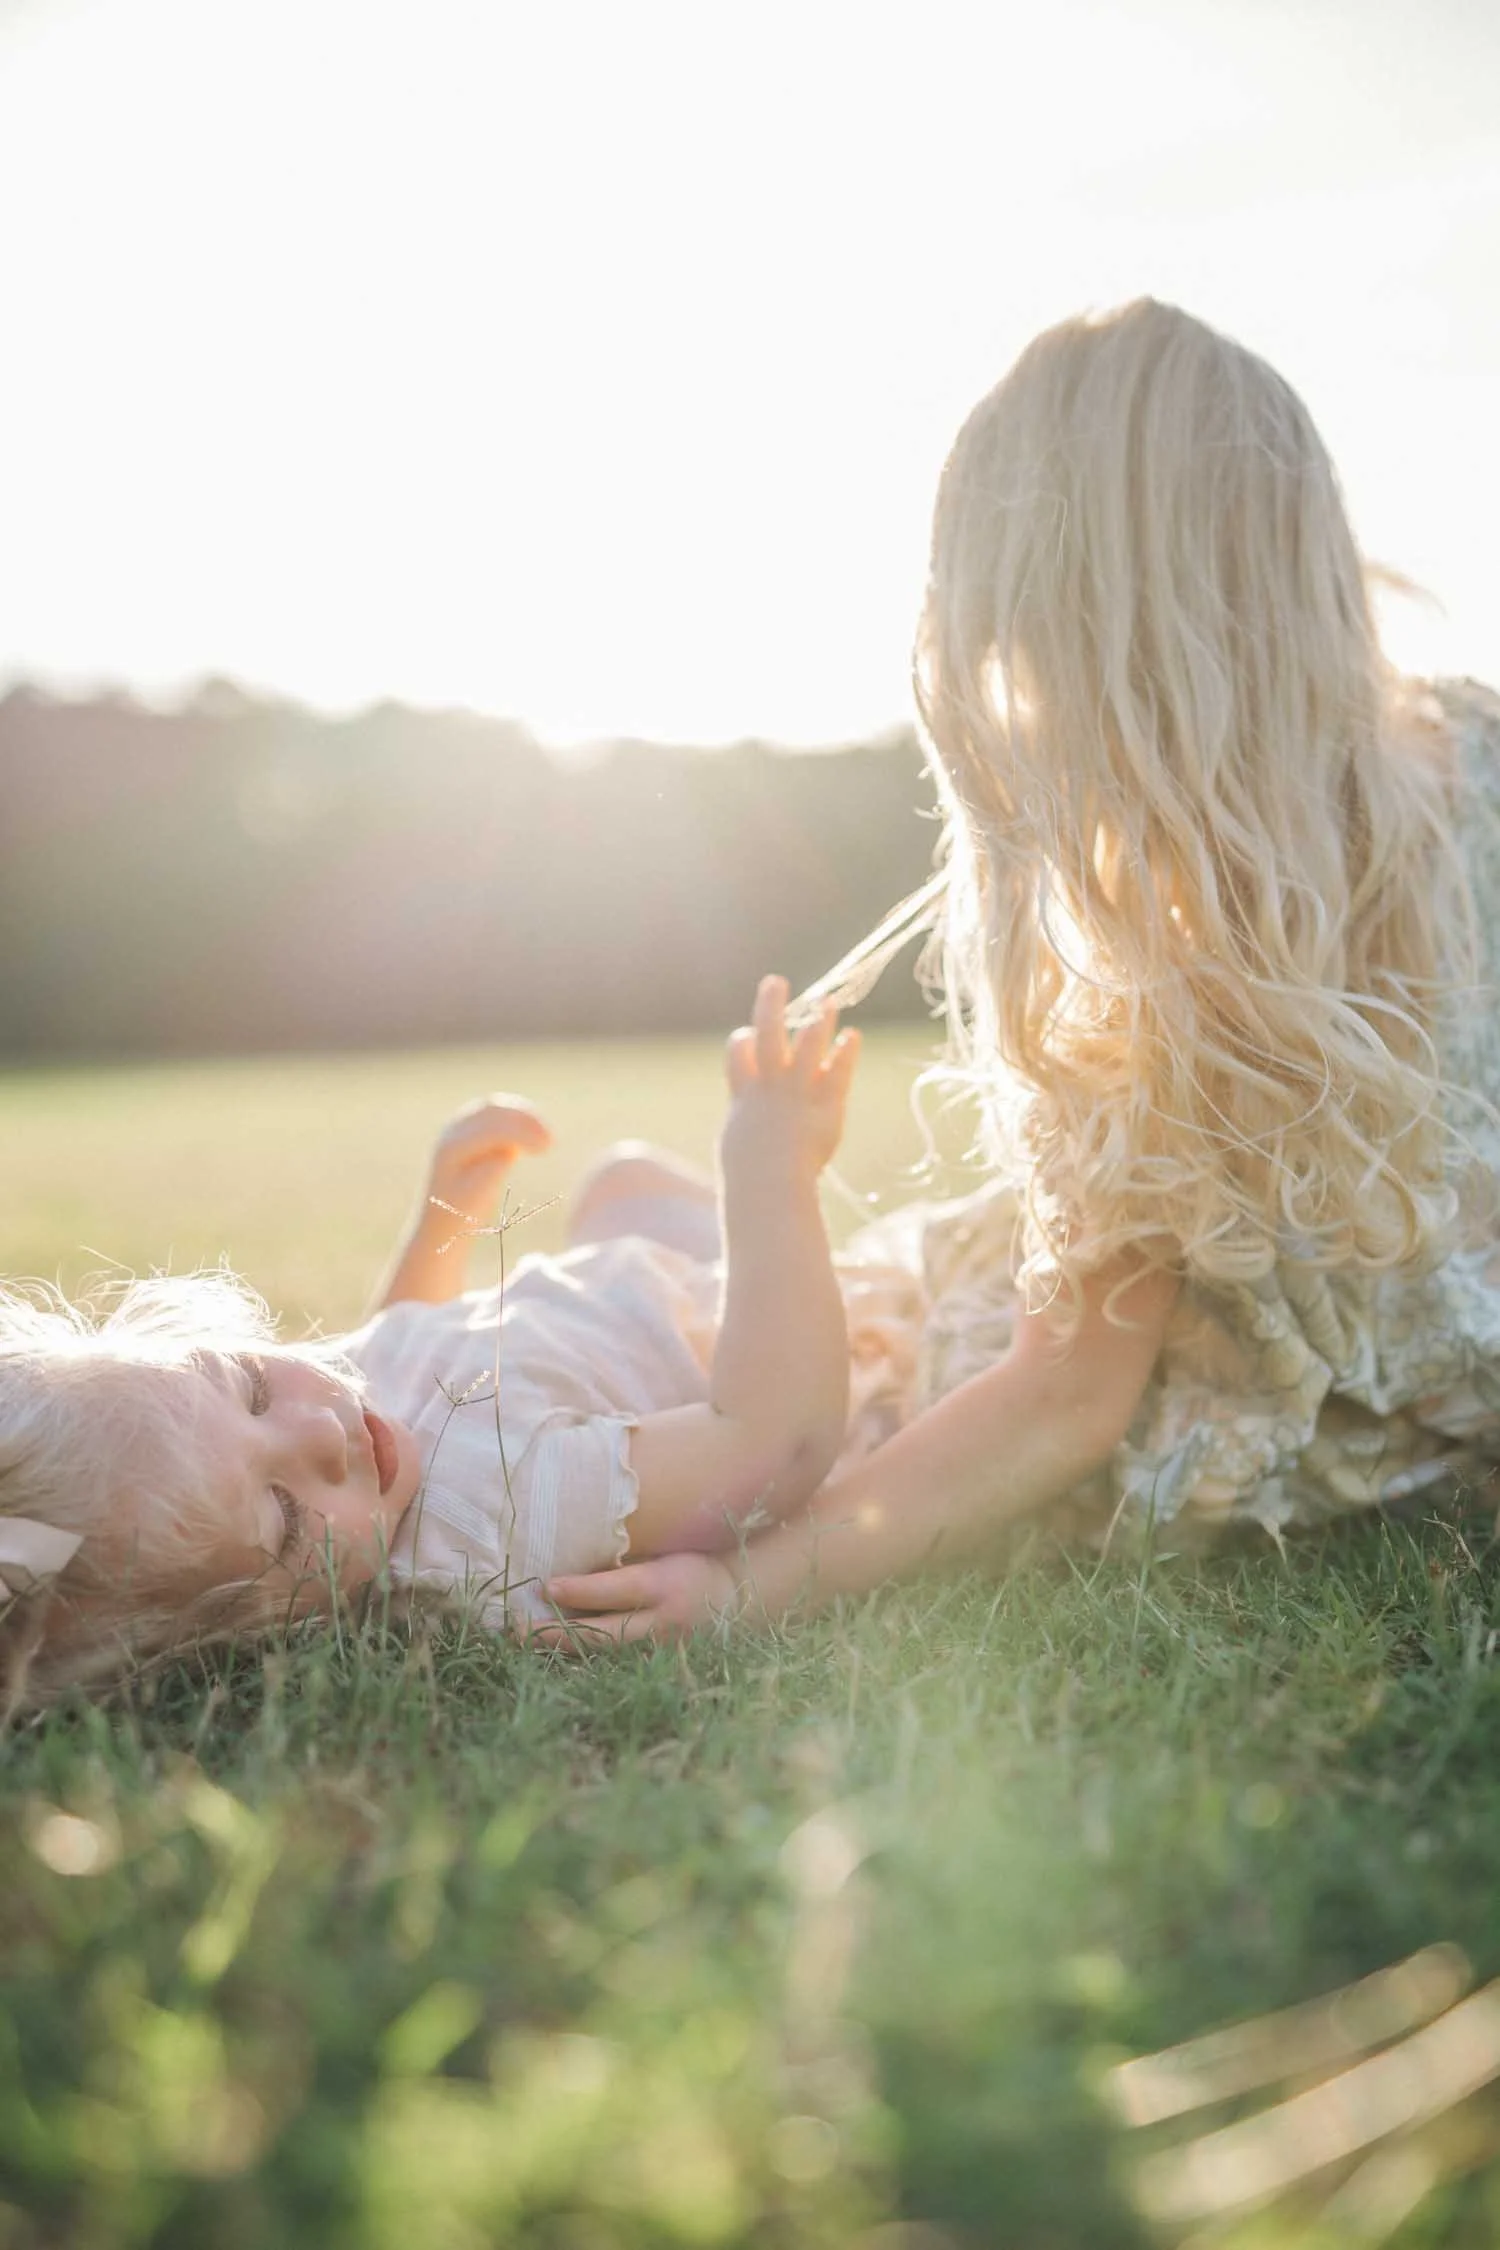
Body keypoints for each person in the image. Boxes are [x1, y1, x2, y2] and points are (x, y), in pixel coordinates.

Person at [538, 296, 1500, 1645]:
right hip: (1428, 1406)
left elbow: (1064, 1404)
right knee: (641, 1207)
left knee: (630, 1208)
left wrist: (751, 1586)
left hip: (1016, 1392)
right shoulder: (1475, 762)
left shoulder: (1184, 953)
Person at [0, 980, 919, 1711]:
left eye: (243, 1386)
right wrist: (769, 1171)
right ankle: (835, 1269)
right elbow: (774, 1441)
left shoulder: (347, 1435)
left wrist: (446, 1218)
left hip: (654, 1293)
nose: (317, 1431)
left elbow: (393, 1340)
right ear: (254, 1634)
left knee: (624, 1176)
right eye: (281, 1514)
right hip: (802, 1354)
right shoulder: (495, 1519)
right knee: (680, 1196)